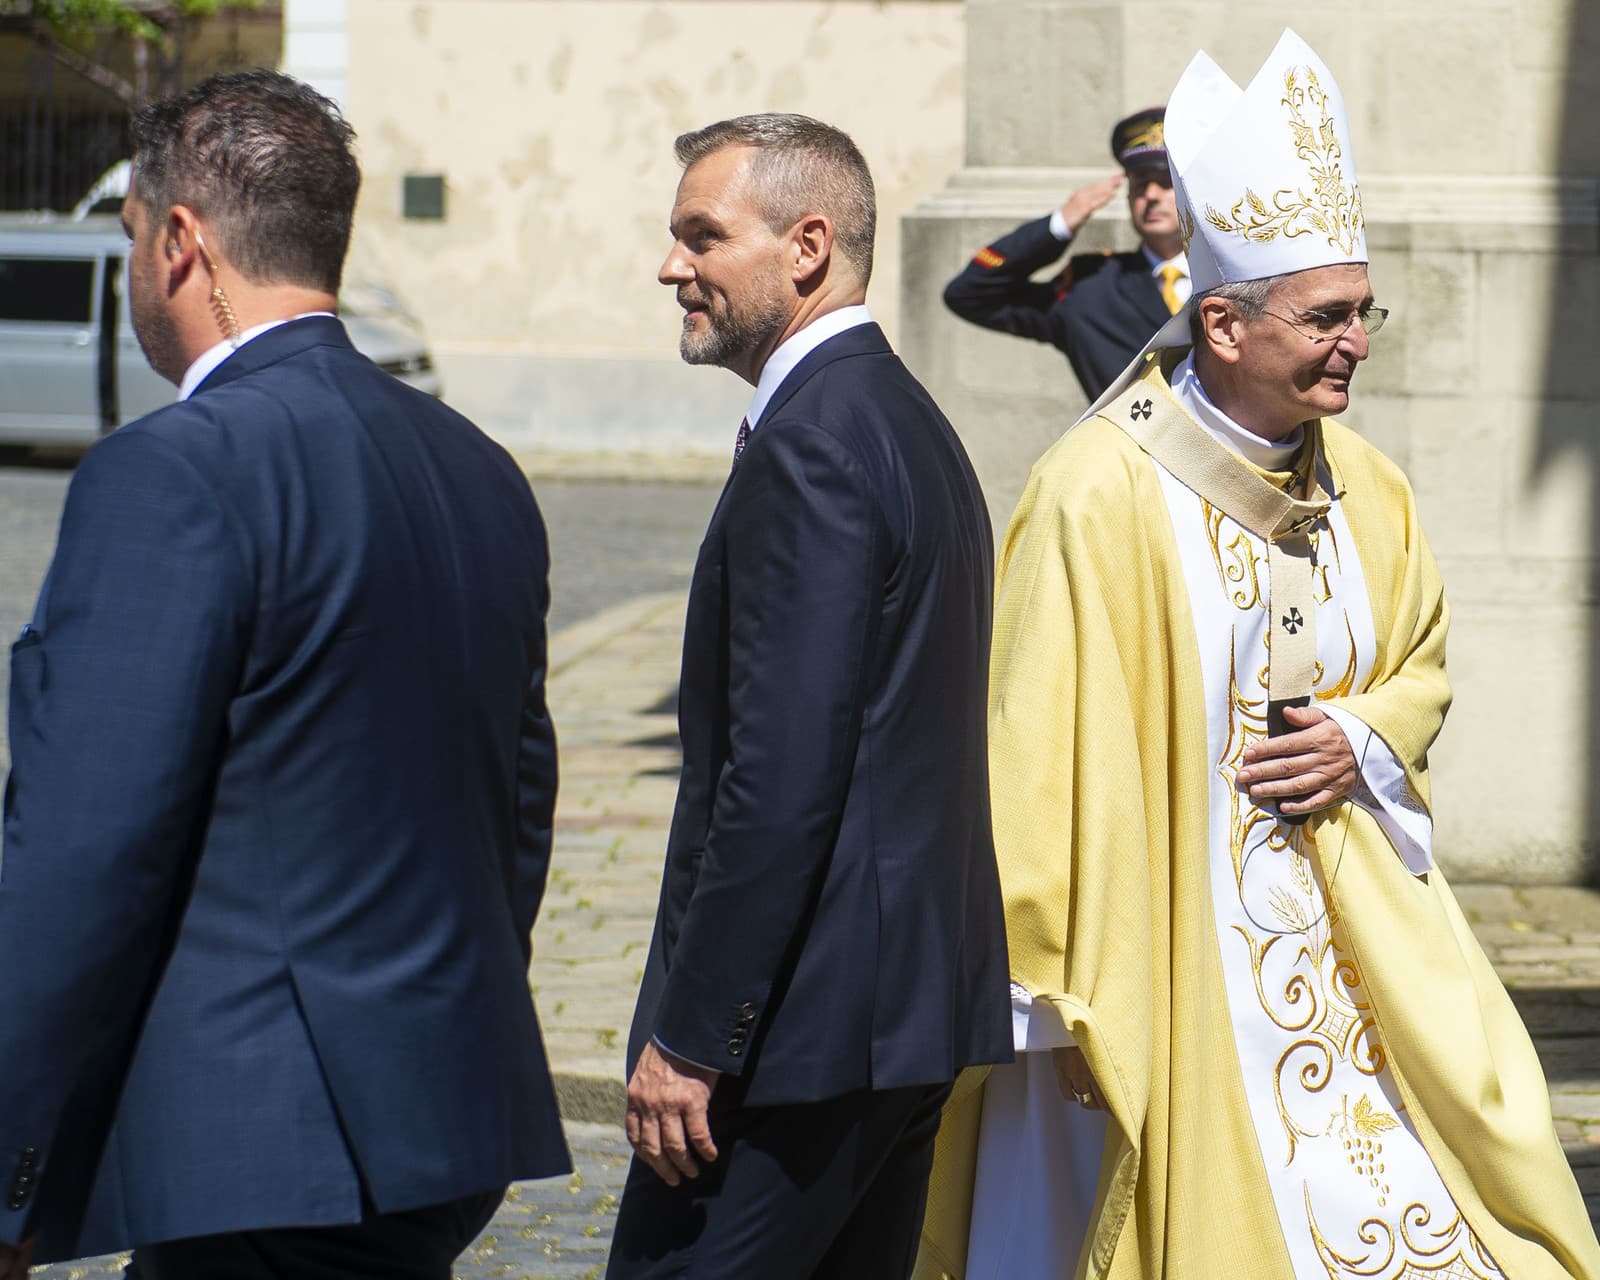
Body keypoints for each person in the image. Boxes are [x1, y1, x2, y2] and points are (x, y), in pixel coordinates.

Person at [918, 30, 1600, 1280]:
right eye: (1326, 316)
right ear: (1222, 325)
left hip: (1359, 965)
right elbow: (1032, 746)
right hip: (1165, 961)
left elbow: (1420, 661)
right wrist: (1047, 999)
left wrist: (1363, 735)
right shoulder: (1094, 494)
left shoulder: (1371, 490)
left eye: (1362, 310)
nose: (1357, 340)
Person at [0, 70, 568, 1280]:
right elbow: (515, 809)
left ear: (182, 245)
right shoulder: (478, 469)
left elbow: (84, 850)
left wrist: (12, 1171)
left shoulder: (172, 471)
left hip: (246, 1144)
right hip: (437, 1126)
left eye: (136, 230)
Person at [605, 113, 1012, 1280]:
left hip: (797, 1043)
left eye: (702, 235)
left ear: (807, 244)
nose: (672, 265)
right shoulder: (902, 421)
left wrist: (692, 1037)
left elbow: (778, 780)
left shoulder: (816, 442)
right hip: (897, 1020)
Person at [942, 107, 1188, 402]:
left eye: (1165, 182)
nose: (1150, 195)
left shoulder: (1235, 277)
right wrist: (1059, 225)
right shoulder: (1090, 287)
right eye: (1139, 184)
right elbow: (968, 294)